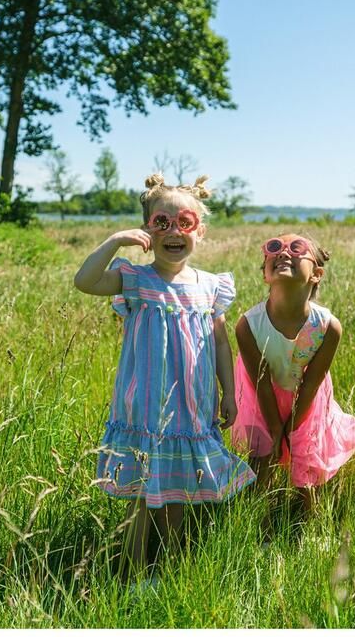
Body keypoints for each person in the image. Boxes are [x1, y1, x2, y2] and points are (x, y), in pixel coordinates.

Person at [73, 173, 255, 581]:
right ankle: (131, 570)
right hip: (145, 409)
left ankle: (166, 570)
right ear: (147, 230)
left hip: (192, 408)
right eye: (162, 222)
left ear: (199, 231)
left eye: (184, 223)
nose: (174, 232)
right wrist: (115, 241)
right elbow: (84, 281)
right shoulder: (136, 279)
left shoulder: (210, 286)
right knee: (141, 496)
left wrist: (228, 392)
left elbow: (220, 343)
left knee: (177, 495)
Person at [231, 233, 355, 523]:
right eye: (274, 248)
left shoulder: (327, 326)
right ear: (265, 274)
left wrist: (292, 424)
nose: (283, 253)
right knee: (262, 455)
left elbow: (312, 383)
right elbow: (261, 382)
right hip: (259, 396)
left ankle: (310, 528)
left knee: (306, 454)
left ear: (317, 274)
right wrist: (276, 427)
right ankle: (258, 525)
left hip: (306, 398)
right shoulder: (248, 325)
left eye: (296, 248)